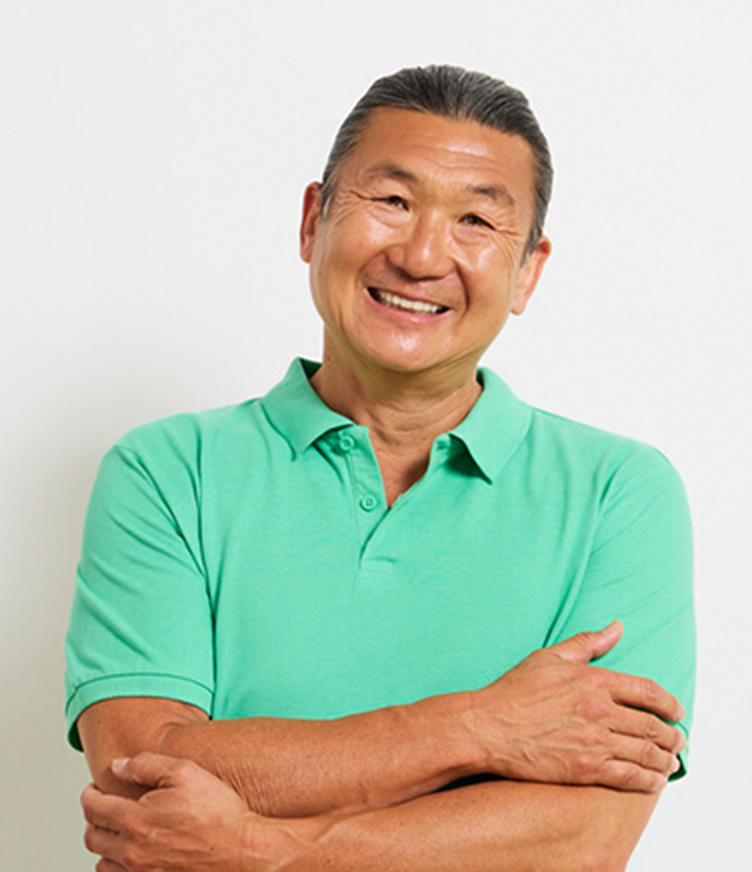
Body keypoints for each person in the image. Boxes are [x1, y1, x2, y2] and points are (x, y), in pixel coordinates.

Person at [67, 65, 695, 871]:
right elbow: (139, 773)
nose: (422, 255)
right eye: (392, 201)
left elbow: (580, 839)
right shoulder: (165, 472)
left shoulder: (620, 494)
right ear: (313, 222)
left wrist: (265, 852)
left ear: (528, 271)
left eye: (476, 220)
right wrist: (481, 727)